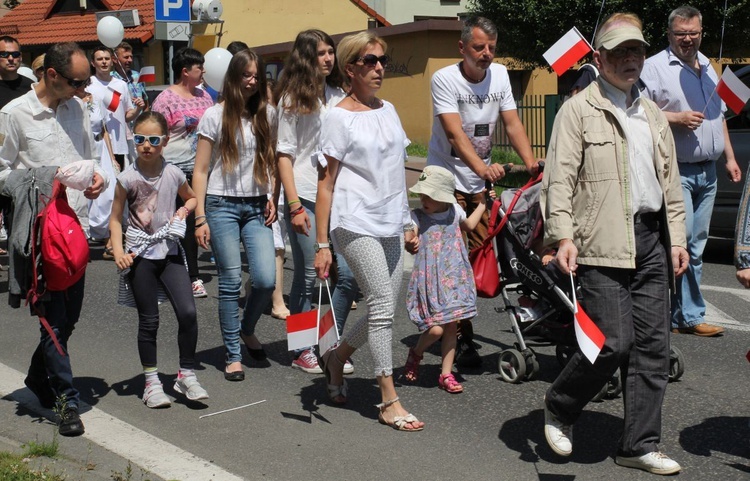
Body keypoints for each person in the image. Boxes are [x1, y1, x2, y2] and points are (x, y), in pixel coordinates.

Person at [541, 15, 688, 474]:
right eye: (620, 52)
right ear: (598, 58)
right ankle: (560, 406)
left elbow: (671, 184)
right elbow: (558, 180)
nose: (631, 60)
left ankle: (639, 445)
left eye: (637, 51)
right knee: (610, 343)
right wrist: (562, 236)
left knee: (652, 349)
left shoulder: (652, 114)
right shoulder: (578, 109)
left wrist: (677, 240)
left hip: (649, 239)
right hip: (600, 242)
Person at [314, 31, 424, 432]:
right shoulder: (338, 117)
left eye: (382, 59)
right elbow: (326, 184)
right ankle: (388, 399)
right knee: (379, 301)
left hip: (390, 221)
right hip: (353, 222)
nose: (380, 67)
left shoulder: (389, 109)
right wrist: (322, 243)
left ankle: (336, 357)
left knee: (383, 308)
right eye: (370, 60)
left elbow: (396, 171)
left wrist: (408, 219)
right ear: (350, 69)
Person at [0, 41, 108, 436]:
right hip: (40, 233)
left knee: (71, 318)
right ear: (51, 76)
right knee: (54, 321)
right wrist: (42, 181)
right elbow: (1, 172)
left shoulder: (76, 106)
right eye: (79, 82)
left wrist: (96, 179)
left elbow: (90, 156)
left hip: (75, 230)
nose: (85, 90)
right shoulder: (14, 115)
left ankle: (35, 377)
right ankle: (66, 403)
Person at [427, 16, 538, 366]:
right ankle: (460, 338)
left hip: (479, 182)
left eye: (491, 47)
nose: (486, 54)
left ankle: (457, 324)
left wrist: (532, 163)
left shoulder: (501, 75)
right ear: (463, 48)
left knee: (475, 257)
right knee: (453, 261)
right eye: (479, 47)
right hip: (447, 180)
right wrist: (481, 168)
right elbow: (455, 135)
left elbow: (512, 121)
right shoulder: (444, 79)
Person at [640, 5, 741, 337]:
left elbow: (719, 117)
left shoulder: (710, 67)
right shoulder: (653, 67)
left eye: (693, 33)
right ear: (670, 34)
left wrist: (729, 158)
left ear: (701, 33)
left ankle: (686, 315)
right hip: (675, 170)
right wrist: (677, 118)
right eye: (681, 34)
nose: (688, 39)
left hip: (708, 172)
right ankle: (675, 314)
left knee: (697, 245)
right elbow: (639, 110)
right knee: (679, 245)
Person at [109, 111, 209, 408]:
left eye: (154, 139)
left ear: (165, 141)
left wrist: (184, 211)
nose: (147, 145)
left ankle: (186, 374)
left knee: (188, 313)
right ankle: (151, 382)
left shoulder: (175, 173)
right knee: (149, 320)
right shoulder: (126, 178)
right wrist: (118, 252)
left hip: (170, 252)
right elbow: (115, 219)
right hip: (140, 256)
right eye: (140, 139)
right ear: (133, 140)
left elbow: (191, 197)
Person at [275, 29, 357, 374]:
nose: (329, 58)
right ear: (307, 58)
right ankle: (303, 349)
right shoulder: (292, 98)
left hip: (340, 196)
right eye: (321, 53)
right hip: (305, 195)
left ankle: (328, 342)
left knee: (350, 277)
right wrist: (293, 205)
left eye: (331, 52)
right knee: (309, 276)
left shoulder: (339, 94)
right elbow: (284, 155)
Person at [192, 49, 277, 382]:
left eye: (257, 76)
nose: (252, 81)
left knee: (265, 280)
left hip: (257, 204)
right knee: (229, 281)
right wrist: (199, 217)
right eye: (246, 75)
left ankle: (246, 329)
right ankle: (233, 354)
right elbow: (200, 170)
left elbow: (272, 161)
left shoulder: (267, 114)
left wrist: (273, 195)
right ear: (233, 77)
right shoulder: (214, 116)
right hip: (220, 204)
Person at [402, 165, 485, 394]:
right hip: (431, 280)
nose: (423, 199)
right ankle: (416, 353)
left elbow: (469, 225)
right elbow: (411, 234)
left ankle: (446, 374)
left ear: (444, 198)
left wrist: (483, 204)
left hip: (453, 277)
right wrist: (410, 242)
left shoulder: (454, 211)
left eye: (430, 196)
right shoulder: (417, 216)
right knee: (436, 329)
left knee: (451, 327)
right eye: (422, 195)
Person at [152, 48, 214, 298]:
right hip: (174, 171)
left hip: (203, 170)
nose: (204, 71)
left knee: (200, 222)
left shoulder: (205, 96)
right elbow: (154, 132)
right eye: (199, 67)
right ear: (185, 71)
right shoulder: (165, 99)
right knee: (182, 224)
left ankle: (183, 272)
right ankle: (191, 277)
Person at [86, 45, 145, 255]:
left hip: (120, 143)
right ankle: (106, 238)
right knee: (105, 193)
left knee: (119, 192)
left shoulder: (120, 84)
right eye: (99, 59)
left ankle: (113, 239)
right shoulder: (89, 86)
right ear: (93, 63)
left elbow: (127, 115)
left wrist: (137, 108)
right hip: (99, 145)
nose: (103, 62)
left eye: (106, 59)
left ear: (112, 61)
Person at [111, 42, 149, 112]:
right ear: (114, 59)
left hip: (139, 122)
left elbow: (145, 103)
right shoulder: (110, 79)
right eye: (126, 57)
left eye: (131, 57)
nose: (130, 60)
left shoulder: (137, 76)